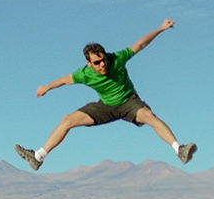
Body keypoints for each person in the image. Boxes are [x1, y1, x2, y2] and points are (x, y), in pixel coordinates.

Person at [15, 18, 196, 171]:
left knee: (149, 116)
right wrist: (45, 87)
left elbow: (140, 44)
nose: (102, 65)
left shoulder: (117, 58)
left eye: (103, 60)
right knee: (67, 120)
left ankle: (179, 149)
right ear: (89, 63)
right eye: (97, 62)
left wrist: (161, 28)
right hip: (105, 107)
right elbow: (64, 80)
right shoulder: (84, 74)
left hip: (129, 103)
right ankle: (38, 157)